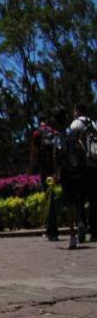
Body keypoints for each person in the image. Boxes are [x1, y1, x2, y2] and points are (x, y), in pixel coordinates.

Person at [59, 103, 97, 249]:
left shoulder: (75, 124)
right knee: (94, 199)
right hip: (95, 164)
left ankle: (81, 223)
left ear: (77, 111)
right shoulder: (93, 123)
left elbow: (72, 145)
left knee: (80, 197)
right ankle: (94, 230)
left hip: (83, 166)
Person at [30, 109, 67, 242]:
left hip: (45, 171)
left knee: (50, 199)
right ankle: (52, 228)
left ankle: (53, 230)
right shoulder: (54, 132)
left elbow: (33, 154)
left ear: (39, 121)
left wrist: (31, 169)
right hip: (57, 168)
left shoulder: (37, 133)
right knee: (55, 198)